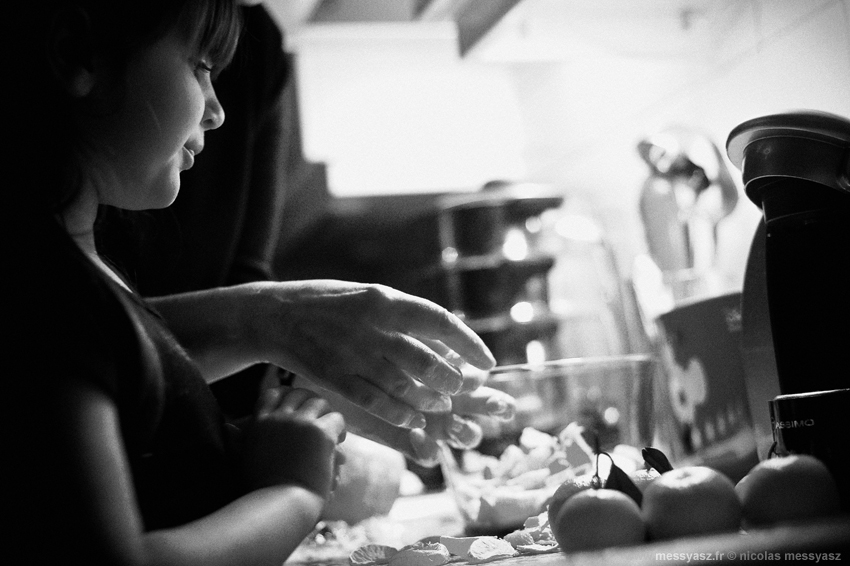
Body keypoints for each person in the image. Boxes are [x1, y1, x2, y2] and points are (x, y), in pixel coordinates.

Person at [4, 1, 503, 565]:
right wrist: (291, 492)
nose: (218, 111)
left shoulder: (93, 289)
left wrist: (253, 443)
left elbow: (149, 447)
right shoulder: (50, 299)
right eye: (200, 66)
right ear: (77, 54)